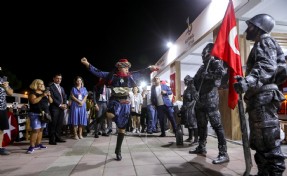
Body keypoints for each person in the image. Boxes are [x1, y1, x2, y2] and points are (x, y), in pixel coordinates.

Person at [234, 14, 286, 175]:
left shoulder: (265, 41)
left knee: (268, 140)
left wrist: (247, 81)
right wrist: (246, 80)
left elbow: (266, 66)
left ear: (259, 28)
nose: (247, 29)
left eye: (250, 26)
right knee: (260, 142)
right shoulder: (259, 44)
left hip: (263, 99)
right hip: (259, 100)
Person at [81, 57, 158, 161]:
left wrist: (150, 69)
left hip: (125, 104)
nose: (127, 69)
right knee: (110, 114)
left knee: (122, 128)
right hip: (115, 101)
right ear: (119, 67)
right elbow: (98, 72)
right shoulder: (112, 76)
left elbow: (141, 72)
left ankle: (118, 150)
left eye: (128, 67)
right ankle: (98, 119)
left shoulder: (130, 76)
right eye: (125, 67)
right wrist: (87, 64)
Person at [189, 43, 229, 164]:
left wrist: (208, 76)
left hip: (211, 100)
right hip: (200, 100)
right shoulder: (202, 67)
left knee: (217, 125)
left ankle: (223, 152)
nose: (202, 55)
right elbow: (193, 81)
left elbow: (221, 74)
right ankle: (202, 146)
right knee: (201, 125)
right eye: (202, 53)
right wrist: (193, 88)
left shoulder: (215, 63)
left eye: (204, 53)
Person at [26, 79, 53, 154]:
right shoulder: (32, 92)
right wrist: (42, 96)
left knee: (41, 129)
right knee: (35, 130)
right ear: (35, 85)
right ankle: (31, 146)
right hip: (35, 113)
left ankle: (38, 144)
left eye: (42, 84)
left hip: (44, 114)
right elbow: (33, 101)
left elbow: (51, 101)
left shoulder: (44, 93)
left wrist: (49, 95)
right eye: (40, 84)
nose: (42, 85)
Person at [49, 73, 68, 145]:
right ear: (54, 78)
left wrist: (65, 104)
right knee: (53, 124)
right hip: (55, 108)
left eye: (60, 79)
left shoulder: (61, 88)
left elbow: (65, 96)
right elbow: (52, 98)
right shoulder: (51, 87)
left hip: (62, 108)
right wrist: (60, 105)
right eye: (57, 78)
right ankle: (52, 139)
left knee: (59, 123)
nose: (59, 80)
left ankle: (58, 137)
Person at [181, 75, 198, 145]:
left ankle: (196, 139)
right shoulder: (187, 89)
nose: (185, 82)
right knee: (188, 123)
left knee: (194, 124)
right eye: (185, 80)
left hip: (192, 108)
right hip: (186, 108)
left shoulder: (193, 88)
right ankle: (190, 137)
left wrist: (189, 106)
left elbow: (195, 99)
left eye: (186, 80)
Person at [0, 71, 13, 155]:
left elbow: (10, 93)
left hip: (2, 108)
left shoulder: (2, 80)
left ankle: (0, 148)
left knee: (1, 129)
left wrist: (7, 87)